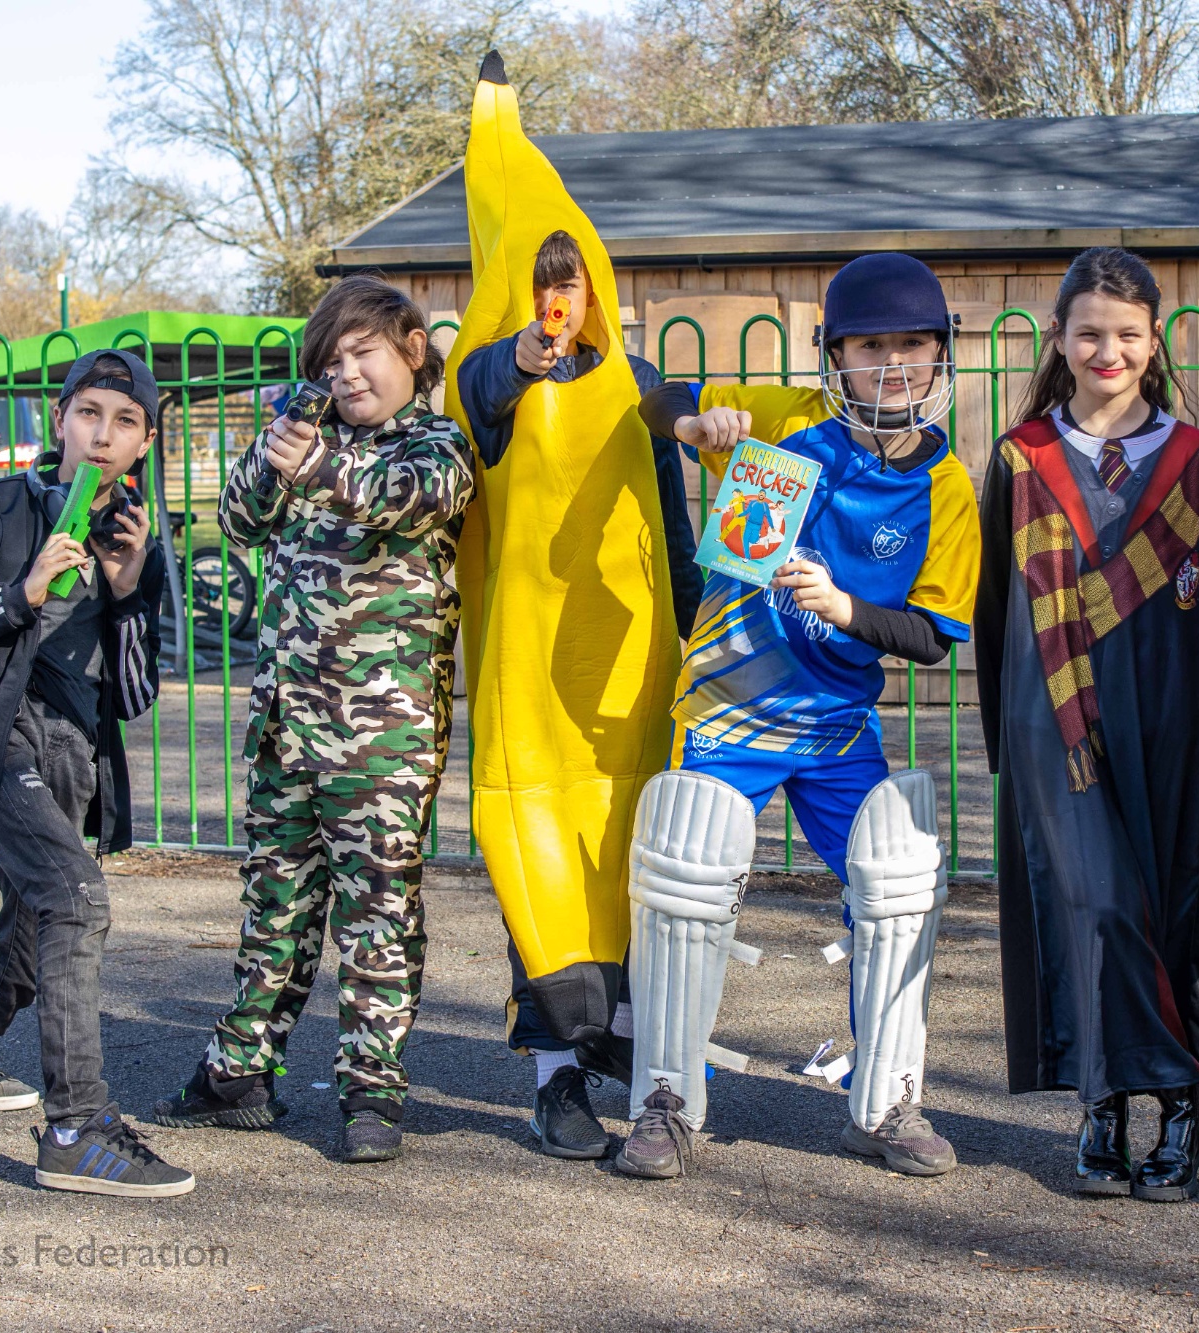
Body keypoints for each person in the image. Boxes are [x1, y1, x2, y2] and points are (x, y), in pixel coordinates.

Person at [615, 252, 980, 1180]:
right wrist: (696, 420)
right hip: (730, 703)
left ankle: (888, 1101)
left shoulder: (946, 487)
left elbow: (933, 637)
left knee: (895, 881)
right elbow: (655, 401)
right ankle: (664, 1099)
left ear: (942, 357)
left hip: (833, 725)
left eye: (912, 345)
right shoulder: (786, 422)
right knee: (687, 877)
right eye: (870, 346)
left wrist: (845, 607)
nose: (891, 365)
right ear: (834, 355)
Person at [153, 276, 475, 1166]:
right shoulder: (308, 438)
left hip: (384, 735)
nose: (346, 374)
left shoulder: (438, 444)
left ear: (411, 347)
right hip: (287, 722)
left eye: (362, 351)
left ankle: (372, 1091)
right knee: (276, 905)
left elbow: (404, 499)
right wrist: (274, 452)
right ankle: (239, 1074)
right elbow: (238, 519)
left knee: (377, 912)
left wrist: (315, 464)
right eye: (331, 362)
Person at [441, 52, 684, 1173]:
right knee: (537, 859)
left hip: (627, 685)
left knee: (624, 862)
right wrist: (517, 364)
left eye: (570, 276)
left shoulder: (633, 387)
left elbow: (727, 416)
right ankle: (554, 1079)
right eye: (538, 278)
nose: (556, 300)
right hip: (529, 689)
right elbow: (481, 399)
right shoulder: (484, 381)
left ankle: (623, 1048)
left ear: (594, 284)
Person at [974, 248, 1199, 1203]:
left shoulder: (1197, 459)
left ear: (1153, 339)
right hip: (1054, 717)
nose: (1108, 349)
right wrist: (1010, 747)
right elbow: (994, 603)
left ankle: (1178, 1108)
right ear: (1061, 338)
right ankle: (1119, 1100)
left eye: (1127, 333)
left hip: (1162, 709)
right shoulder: (1019, 456)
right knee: (1100, 902)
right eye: (1090, 331)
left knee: (1169, 899)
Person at [0, 348, 186, 1197]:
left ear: (145, 442)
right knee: (78, 900)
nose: (102, 434)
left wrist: (131, 588)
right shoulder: (0, 506)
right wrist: (20, 594)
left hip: (70, 758)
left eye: (124, 421)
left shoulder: (139, 541)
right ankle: (76, 1129)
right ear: (60, 419)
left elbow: (131, 695)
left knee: (29, 949)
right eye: (88, 413)